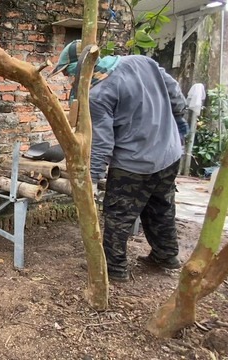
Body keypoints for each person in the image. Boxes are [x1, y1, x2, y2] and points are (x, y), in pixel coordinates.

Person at [49, 40, 189, 282]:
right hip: (169, 153)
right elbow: (175, 93)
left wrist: (91, 179)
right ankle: (167, 256)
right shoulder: (142, 62)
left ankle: (115, 269)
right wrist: (177, 119)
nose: (70, 79)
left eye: (70, 72)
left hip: (133, 165)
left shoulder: (98, 94)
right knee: (161, 206)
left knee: (118, 216)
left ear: (83, 67)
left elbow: (102, 143)